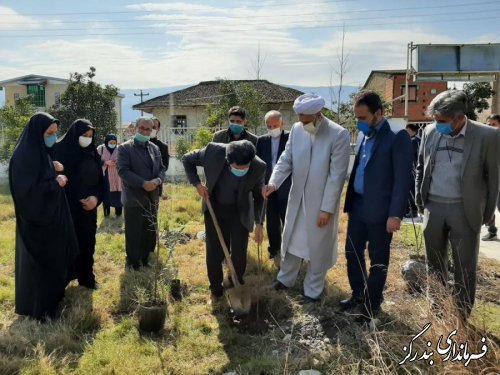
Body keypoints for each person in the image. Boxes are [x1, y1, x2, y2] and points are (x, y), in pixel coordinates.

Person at [416, 90, 499, 319]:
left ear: (460, 117)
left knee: (465, 266)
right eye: (435, 119)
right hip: (433, 207)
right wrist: (419, 199)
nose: (437, 124)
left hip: (465, 210)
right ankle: (438, 309)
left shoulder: (488, 136)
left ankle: (461, 314)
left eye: (442, 121)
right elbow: (421, 168)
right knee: (434, 263)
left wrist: (488, 212)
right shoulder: (430, 132)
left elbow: (494, 179)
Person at [262, 94, 351, 302]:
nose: (303, 123)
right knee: (292, 238)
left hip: (320, 203)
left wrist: (327, 209)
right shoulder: (297, 130)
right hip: (297, 199)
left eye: (307, 120)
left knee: (317, 247)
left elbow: (337, 176)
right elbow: (286, 159)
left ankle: (313, 290)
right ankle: (286, 279)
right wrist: (274, 183)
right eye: (300, 119)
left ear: (319, 115)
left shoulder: (338, 134)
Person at [343, 90, 413, 321]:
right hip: (359, 206)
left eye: (362, 118)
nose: (358, 122)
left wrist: (395, 214)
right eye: (357, 117)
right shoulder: (364, 135)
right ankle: (358, 294)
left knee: (378, 259)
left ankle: (372, 304)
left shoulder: (396, 137)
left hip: (382, 212)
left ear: (378, 113)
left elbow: (403, 180)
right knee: (352, 252)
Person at [9, 112, 79, 320]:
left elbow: (40, 175)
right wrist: (55, 182)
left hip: (51, 220)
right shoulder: (25, 155)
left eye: (55, 133)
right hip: (37, 224)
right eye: (49, 133)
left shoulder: (40, 152)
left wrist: (53, 170)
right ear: (37, 133)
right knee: (41, 266)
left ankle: (52, 301)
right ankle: (41, 310)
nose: (53, 137)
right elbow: (26, 192)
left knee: (55, 261)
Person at [182, 140, 266, 300]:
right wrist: (197, 184)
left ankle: (236, 282)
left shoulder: (258, 166)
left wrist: (260, 222)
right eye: (236, 168)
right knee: (214, 250)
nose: (240, 171)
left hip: (240, 210)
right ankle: (215, 288)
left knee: (240, 251)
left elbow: (259, 197)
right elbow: (187, 159)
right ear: (228, 161)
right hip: (215, 206)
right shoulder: (213, 151)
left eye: (244, 168)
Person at [53, 119, 103, 290]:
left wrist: (95, 198)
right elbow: (55, 180)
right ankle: (62, 281)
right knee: (65, 244)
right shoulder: (59, 151)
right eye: (84, 135)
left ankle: (86, 278)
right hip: (66, 208)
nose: (87, 139)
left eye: (90, 136)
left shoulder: (93, 153)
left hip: (89, 208)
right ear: (75, 134)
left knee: (88, 243)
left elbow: (100, 182)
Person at [117, 117, 166, 270]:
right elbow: (123, 171)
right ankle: (132, 262)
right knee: (134, 231)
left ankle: (146, 258)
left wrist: (157, 181)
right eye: (142, 128)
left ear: (152, 130)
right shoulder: (125, 148)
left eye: (148, 129)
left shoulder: (154, 148)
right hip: (134, 197)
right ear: (135, 128)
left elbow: (162, 169)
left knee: (149, 230)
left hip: (152, 197)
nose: (145, 131)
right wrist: (143, 183)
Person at [256, 110, 291, 261]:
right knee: (271, 222)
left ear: (282, 123)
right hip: (267, 188)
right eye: (269, 126)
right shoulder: (262, 141)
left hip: (286, 187)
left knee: (288, 221)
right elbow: (258, 164)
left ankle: (290, 252)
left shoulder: (291, 138)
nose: (272, 128)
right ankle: (274, 251)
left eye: (275, 125)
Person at [482, 114, 500, 241]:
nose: (490, 127)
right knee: (489, 205)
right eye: (488, 125)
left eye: (493, 124)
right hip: (488, 179)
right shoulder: (485, 139)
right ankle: (492, 231)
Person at [97, 134, 123, 217]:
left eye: (114, 142)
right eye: (110, 142)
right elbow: (94, 160)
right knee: (106, 194)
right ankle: (106, 213)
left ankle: (118, 213)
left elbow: (125, 160)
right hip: (105, 176)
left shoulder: (120, 149)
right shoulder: (100, 149)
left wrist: (118, 162)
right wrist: (105, 162)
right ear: (106, 142)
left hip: (118, 177)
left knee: (118, 194)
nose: (112, 144)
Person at [405, 123, 421, 218]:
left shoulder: (412, 141)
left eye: (407, 130)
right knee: (414, 190)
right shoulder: (419, 140)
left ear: (411, 130)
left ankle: (412, 210)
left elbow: (408, 156)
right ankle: (413, 210)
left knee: (410, 190)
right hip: (417, 169)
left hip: (411, 170)